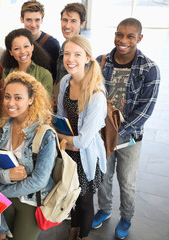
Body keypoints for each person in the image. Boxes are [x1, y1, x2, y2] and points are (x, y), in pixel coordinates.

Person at [92, 18, 160, 239]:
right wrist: (103, 131)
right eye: (119, 34)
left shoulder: (149, 69)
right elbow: (92, 97)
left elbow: (145, 110)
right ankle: (103, 209)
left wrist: (118, 133)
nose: (123, 40)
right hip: (103, 134)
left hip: (131, 137)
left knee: (127, 181)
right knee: (102, 175)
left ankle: (127, 217)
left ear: (139, 38)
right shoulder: (101, 62)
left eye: (130, 36)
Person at [0, 71, 56, 240]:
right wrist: (6, 175)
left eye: (18, 98)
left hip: (30, 201)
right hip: (5, 197)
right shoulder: (3, 126)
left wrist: (0, 191)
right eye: (7, 96)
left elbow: (39, 181)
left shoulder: (45, 135)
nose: (10, 103)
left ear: (31, 100)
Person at [56, 35, 107, 240]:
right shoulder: (65, 81)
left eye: (77, 54)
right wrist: (67, 139)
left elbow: (83, 142)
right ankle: (72, 233)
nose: (71, 59)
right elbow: (59, 115)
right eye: (67, 53)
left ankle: (82, 237)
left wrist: (60, 137)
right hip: (69, 153)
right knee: (72, 198)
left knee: (85, 203)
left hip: (87, 157)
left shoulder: (96, 94)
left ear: (87, 58)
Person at [2, 28, 53, 99]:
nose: (22, 51)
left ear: (32, 47)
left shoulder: (44, 74)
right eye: (17, 48)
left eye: (26, 46)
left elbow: (45, 104)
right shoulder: (6, 72)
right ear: (11, 52)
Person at [20, 0, 60, 79]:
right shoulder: (16, 41)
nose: (33, 25)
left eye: (37, 20)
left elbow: (56, 77)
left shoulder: (52, 44)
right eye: (28, 20)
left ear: (42, 20)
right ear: (22, 19)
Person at [56, 2, 86, 86]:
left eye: (73, 21)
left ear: (82, 24)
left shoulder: (83, 49)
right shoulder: (65, 45)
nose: (67, 26)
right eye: (65, 20)